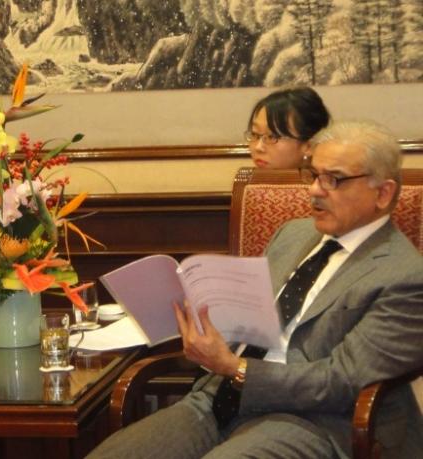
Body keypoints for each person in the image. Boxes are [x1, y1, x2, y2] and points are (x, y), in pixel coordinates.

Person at [89, 121, 423, 459]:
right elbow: (252, 318)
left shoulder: (406, 276)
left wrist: (236, 368)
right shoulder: (292, 234)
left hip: (313, 420)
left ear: (383, 193)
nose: (315, 190)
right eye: (312, 175)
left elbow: (340, 381)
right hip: (217, 398)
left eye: (333, 179)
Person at [246, 86, 330, 169]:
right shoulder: (249, 176)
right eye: (254, 134)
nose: (258, 147)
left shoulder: (326, 178)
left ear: (309, 146)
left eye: (272, 137)